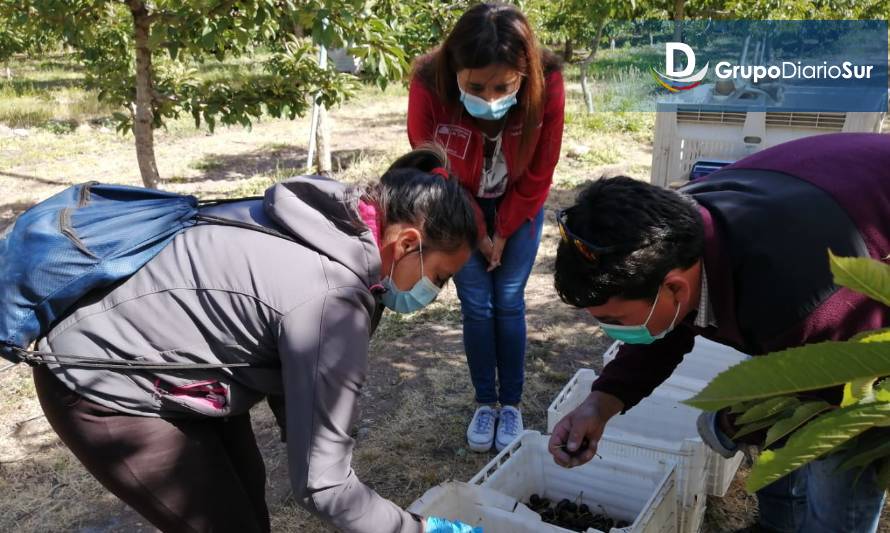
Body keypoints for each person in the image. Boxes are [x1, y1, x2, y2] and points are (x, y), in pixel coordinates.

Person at [31, 145, 483, 533]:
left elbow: (295, 372)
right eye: (440, 276)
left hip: (175, 359)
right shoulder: (333, 302)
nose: (435, 293)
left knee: (246, 502)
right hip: (104, 380)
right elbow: (323, 486)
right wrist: (418, 529)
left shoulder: (334, 217)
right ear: (406, 243)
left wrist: (316, 433)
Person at [547, 132, 890, 533]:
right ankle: (780, 524)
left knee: (840, 453)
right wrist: (600, 404)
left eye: (617, 320)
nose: (611, 332)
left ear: (676, 287)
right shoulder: (673, 237)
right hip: (825, 196)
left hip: (855, 279)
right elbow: (667, 326)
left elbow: (842, 397)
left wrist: (731, 422)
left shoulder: (801, 300)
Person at [407, 2, 565, 453]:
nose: (491, 98)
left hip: (521, 204)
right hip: (455, 205)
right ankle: (485, 402)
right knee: (476, 304)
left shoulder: (548, 83)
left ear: (524, 73)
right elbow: (434, 166)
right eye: (476, 86)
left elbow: (540, 169)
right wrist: (477, 230)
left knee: (509, 300)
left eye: (503, 86)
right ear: (456, 69)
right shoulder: (428, 83)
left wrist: (505, 228)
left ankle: (510, 404)